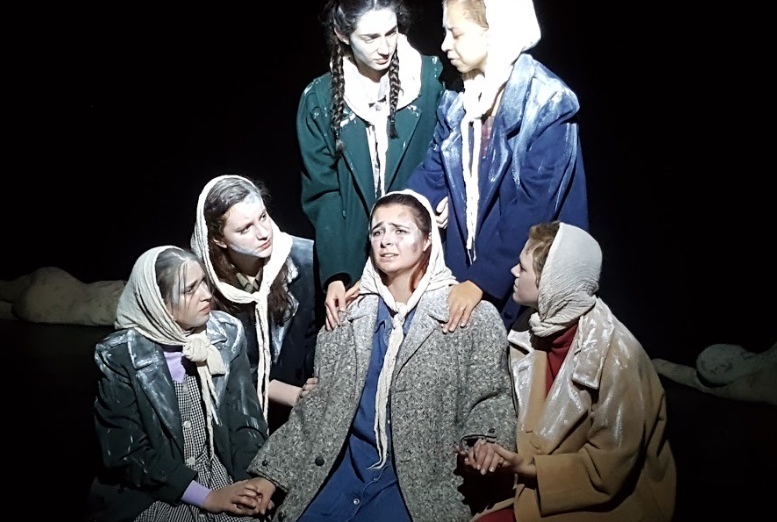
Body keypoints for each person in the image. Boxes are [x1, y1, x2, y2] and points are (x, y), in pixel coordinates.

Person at [243, 190, 516, 522]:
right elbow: (316, 410)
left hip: (415, 487)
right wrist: (271, 475)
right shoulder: (346, 318)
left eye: (400, 230)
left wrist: (486, 440)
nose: (386, 240)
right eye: (378, 231)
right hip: (341, 476)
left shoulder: (470, 316)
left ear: (428, 239)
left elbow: (491, 395)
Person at [406, 0, 588, 333]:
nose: (445, 45)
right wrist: (396, 220)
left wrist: (481, 281)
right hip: (469, 269)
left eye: (456, 33)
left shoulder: (549, 102)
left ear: (494, 31)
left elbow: (534, 206)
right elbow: (433, 172)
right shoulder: (458, 98)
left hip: (530, 279)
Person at [462, 221, 676, 521]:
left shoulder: (618, 357)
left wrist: (527, 467)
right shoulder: (529, 329)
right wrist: (489, 447)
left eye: (523, 268)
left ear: (551, 281)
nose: (513, 271)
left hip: (603, 500)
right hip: (535, 485)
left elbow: (608, 469)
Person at [297, 0, 446, 331]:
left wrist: (444, 197)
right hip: (356, 258)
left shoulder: (429, 80)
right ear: (342, 34)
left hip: (424, 253)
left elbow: (446, 153)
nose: (385, 47)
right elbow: (324, 192)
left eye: (391, 33)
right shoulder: (319, 100)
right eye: (370, 38)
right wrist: (336, 273)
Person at [87, 246, 268, 522]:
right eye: (189, 290)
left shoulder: (226, 334)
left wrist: (250, 483)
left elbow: (245, 420)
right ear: (158, 302)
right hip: (154, 489)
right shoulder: (120, 354)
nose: (206, 294)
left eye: (204, 282)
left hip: (222, 474)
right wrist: (206, 497)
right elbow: (126, 453)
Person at [191, 174, 321, 432]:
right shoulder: (205, 285)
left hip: (307, 411)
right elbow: (225, 365)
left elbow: (318, 336)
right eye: (245, 229)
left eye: (263, 217)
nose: (263, 233)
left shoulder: (308, 260)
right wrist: (292, 395)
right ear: (218, 239)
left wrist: (313, 386)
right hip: (238, 413)